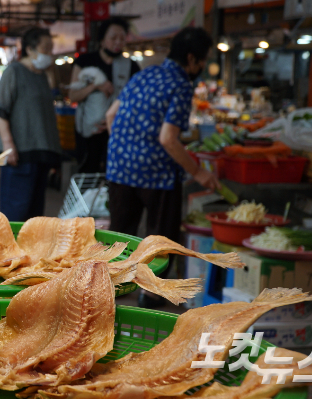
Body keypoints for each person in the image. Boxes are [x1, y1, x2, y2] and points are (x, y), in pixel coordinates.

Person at [104, 27, 220, 308]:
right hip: (156, 174)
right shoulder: (180, 84)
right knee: (159, 237)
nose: (203, 66)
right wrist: (199, 172)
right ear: (191, 59)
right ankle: (151, 295)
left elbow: (111, 114)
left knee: (121, 235)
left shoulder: (143, 74)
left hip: (119, 167)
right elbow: (168, 138)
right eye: (203, 60)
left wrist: (125, 150)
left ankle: (111, 291)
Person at [0, 27, 62, 222]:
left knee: (35, 215)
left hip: (41, 154)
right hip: (20, 153)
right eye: (45, 48)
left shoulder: (41, 76)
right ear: (30, 49)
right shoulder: (13, 71)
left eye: (51, 49)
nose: (49, 53)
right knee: (16, 212)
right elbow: (0, 110)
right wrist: (8, 145)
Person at [70, 17, 140, 174]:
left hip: (118, 132)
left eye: (122, 38)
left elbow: (138, 99)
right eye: (113, 38)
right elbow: (73, 96)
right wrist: (95, 86)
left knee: (114, 176)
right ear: (102, 40)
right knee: (88, 174)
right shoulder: (85, 61)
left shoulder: (131, 66)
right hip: (89, 132)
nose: (118, 42)